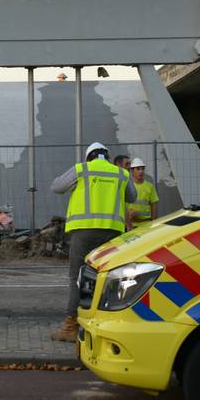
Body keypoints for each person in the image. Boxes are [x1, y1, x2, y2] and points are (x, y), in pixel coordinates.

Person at [48, 142, 135, 342]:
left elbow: (57, 187)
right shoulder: (121, 173)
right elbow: (132, 196)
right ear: (107, 156)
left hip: (84, 232)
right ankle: (107, 325)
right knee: (110, 278)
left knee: (77, 277)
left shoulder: (82, 169)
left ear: (89, 157)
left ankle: (70, 327)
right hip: (112, 233)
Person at [127, 157, 159, 228]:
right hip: (130, 225)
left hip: (146, 225)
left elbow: (154, 206)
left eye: (142, 169)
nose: (141, 171)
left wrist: (154, 224)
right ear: (132, 171)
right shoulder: (127, 186)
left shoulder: (150, 186)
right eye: (138, 169)